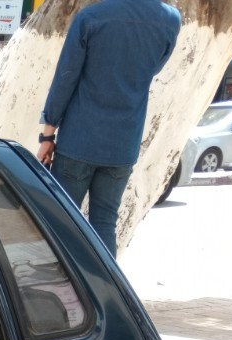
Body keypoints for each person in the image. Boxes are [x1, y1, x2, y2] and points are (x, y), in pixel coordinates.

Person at [38, 0, 181, 257]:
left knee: (62, 223)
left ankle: (64, 292)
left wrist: (47, 134)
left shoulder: (90, 18)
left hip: (79, 140)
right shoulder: (170, 20)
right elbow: (155, 68)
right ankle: (103, 293)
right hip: (123, 144)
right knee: (105, 223)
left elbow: (65, 78)